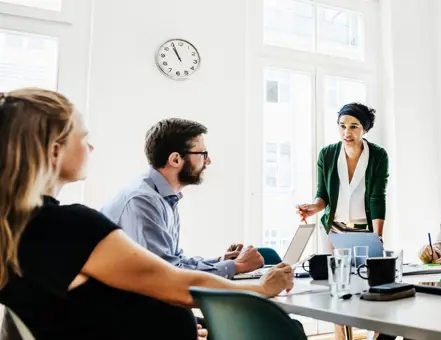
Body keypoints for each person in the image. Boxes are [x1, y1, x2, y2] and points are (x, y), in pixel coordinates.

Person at [0, 88, 294, 339]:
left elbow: (82, 313)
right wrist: (261, 288)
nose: (91, 146)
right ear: (54, 152)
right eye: (83, 137)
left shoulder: (21, 227)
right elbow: (177, 284)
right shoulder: (67, 226)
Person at [101, 118, 264, 279]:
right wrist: (236, 266)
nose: (208, 161)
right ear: (175, 159)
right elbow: (164, 275)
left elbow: (174, 262)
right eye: (203, 154)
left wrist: (221, 261)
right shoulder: (143, 201)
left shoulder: (165, 197)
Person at [297, 103, 389, 238]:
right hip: (333, 229)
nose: (347, 133)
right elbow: (323, 193)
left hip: (365, 230)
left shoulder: (378, 155)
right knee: (330, 260)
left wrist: (378, 238)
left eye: (354, 126)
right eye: (342, 126)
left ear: (365, 130)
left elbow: (377, 198)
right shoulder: (327, 154)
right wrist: (315, 207)